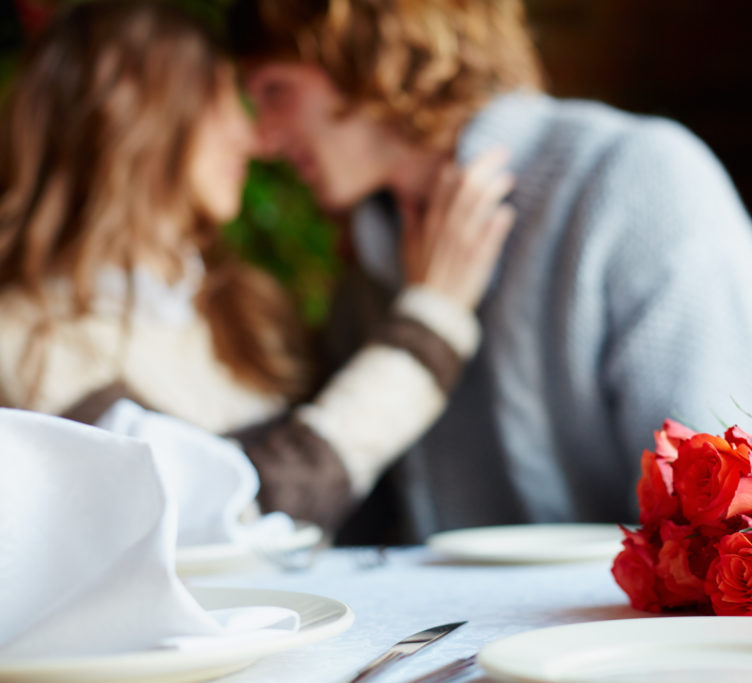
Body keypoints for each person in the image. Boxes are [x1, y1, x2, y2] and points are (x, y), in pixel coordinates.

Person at [229, 0, 752, 544]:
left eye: (276, 91)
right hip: (446, 638)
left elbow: (740, 522)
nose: (263, 138)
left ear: (367, 54)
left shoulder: (637, 178)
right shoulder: (372, 256)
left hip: (623, 634)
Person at [0, 0, 515, 535]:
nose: (257, 138)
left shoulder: (247, 307)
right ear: (140, 117)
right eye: (225, 102)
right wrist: (430, 321)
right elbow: (227, 517)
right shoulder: (29, 343)